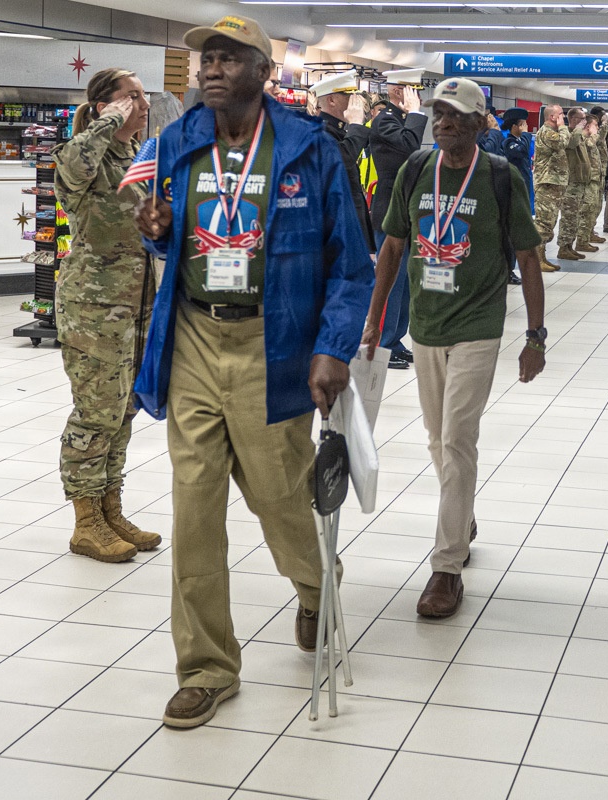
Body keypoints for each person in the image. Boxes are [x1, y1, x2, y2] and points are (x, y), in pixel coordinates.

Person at [133, 15, 372, 729]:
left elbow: (350, 264)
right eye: (206, 58)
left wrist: (332, 348)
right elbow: (172, 232)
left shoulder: (308, 149)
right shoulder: (177, 142)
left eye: (229, 58)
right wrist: (157, 233)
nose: (211, 68)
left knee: (280, 498)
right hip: (194, 338)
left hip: (275, 343)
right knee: (194, 511)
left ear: (264, 72)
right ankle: (206, 667)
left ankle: (315, 587)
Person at [361, 77, 545, 617]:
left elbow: (528, 257)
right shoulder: (417, 169)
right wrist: (374, 321)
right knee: (437, 439)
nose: (442, 123)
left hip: (478, 325)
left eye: (455, 115)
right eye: (438, 113)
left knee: (458, 438)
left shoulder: (500, 176)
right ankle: (460, 515)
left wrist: (535, 337)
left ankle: (446, 568)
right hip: (426, 325)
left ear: (479, 124)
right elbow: (393, 247)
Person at [52, 68, 160, 564]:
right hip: (94, 308)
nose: (143, 105)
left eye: (143, 96)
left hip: (138, 303)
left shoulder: (136, 156)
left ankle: (110, 507)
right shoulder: (83, 155)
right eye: (131, 97)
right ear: (104, 106)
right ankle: (85, 521)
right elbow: (72, 167)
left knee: (123, 410)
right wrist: (105, 121)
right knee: (96, 413)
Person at [370, 69, 428, 370]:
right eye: (412, 90)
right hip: (389, 210)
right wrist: (415, 114)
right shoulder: (385, 120)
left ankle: (395, 338)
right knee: (390, 281)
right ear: (398, 91)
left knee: (405, 281)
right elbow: (409, 147)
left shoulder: (401, 120)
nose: (417, 96)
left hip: (406, 210)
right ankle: (382, 342)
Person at [308, 69, 376, 253]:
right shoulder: (320, 131)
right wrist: (356, 124)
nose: (355, 100)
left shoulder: (338, 130)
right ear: (331, 100)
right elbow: (343, 158)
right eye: (349, 95)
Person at [533, 104, 571, 269]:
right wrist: (563, 127)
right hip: (547, 184)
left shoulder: (553, 132)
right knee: (543, 222)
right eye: (561, 114)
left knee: (549, 221)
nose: (563, 117)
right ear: (552, 117)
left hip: (554, 183)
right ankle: (537, 259)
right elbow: (563, 142)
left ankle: (541, 257)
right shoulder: (547, 133)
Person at [558, 107, 591, 261]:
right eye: (581, 118)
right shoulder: (568, 133)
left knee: (576, 217)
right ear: (572, 119)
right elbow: (571, 144)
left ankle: (570, 246)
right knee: (568, 217)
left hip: (580, 181)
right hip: (571, 183)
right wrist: (579, 128)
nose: (584, 121)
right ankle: (563, 247)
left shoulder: (579, 134)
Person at [576, 114, 605, 255]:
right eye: (595, 125)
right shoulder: (583, 138)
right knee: (586, 211)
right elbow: (588, 145)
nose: (597, 128)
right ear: (588, 126)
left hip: (595, 178)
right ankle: (581, 241)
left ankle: (587, 236)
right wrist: (593, 134)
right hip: (588, 180)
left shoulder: (591, 138)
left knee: (594, 209)